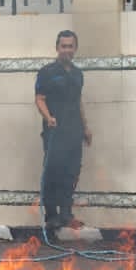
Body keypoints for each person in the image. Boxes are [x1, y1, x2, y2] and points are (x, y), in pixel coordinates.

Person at [33, 30, 93, 230]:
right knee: (53, 172)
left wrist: (85, 127)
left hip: (74, 132)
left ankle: (67, 214)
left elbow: (78, 101)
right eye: (63, 46)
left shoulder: (78, 74)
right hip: (54, 132)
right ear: (57, 48)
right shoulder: (47, 72)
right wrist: (48, 117)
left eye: (70, 46)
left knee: (71, 173)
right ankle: (51, 216)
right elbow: (39, 99)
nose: (67, 50)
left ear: (75, 48)